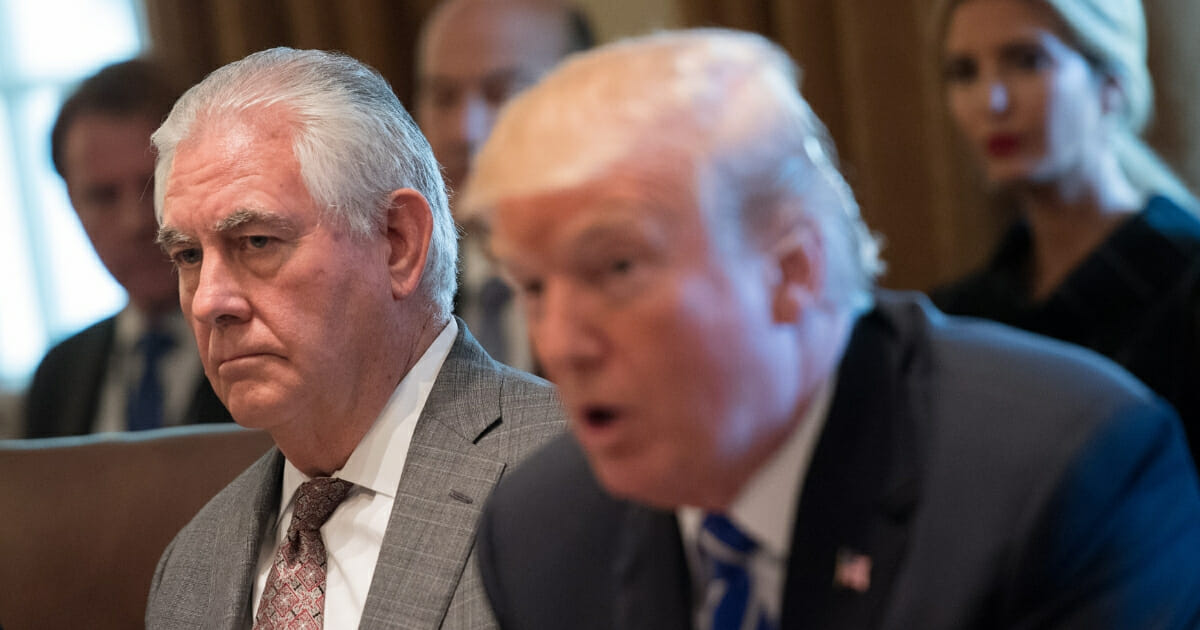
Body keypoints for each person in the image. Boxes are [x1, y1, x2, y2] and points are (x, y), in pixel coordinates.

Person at [459, 29, 1200, 629]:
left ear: (792, 273)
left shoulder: (1061, 479)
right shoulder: (537, 534)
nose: (559, 344)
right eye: (532, 286)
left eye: (615, 269)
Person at [143, 48, 563, 629]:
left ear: (397, 243)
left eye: (257, 241)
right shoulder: (192, 565)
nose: (210, 300)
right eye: (188, 255)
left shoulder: (575, 474)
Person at [929, 0, 1200, 462]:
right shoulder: (954, 319)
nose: (991, 100)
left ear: (1111, 86)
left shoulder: (1187, 280)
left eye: (1027, 61)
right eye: (964, 72)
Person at [24, 59, 232, 437]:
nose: (135, 222)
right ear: (73, 205)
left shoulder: (273, 347)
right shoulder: (59, 373)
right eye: (103, 197)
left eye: (152, 186)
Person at [415, 0, 593, 371]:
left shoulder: (630, 290)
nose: (463, 130)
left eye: (501, 93)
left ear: (585, 103)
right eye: (443, 97)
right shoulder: (408, 300)